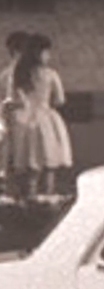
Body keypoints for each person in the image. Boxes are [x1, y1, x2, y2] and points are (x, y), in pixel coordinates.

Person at [10, 33, 73, 198]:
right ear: (40, 53)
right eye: (47, 52)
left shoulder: (19, 74)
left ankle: (30, 196)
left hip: (25, 120)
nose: (49, 56)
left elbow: (16, 98)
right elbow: (60, 100)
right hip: (46, 119)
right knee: (49, 161)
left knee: (31, 161)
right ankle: (47, 196)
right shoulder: (50, 74)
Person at [0, 31, 30, 196]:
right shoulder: (13, 73)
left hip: (18, 118)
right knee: (16, 156)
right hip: (17, 118)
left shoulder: (8, 73)